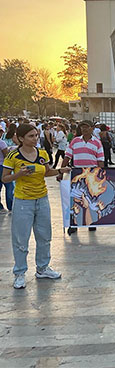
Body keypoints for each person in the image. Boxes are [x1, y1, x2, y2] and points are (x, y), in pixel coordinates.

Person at [1, 124, 71, 289]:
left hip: (42, 200)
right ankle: (19, 273)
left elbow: (46, 172)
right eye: (31, 136)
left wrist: (61, 170)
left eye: (36, 135)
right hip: (23, 202)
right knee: (21, 239)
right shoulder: (13, 155)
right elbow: (5, 178)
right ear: (21, 138)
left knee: (44, 236)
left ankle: (43, 268)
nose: (35, 139)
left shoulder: (42, 153)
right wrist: (19, 174)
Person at [58, 120, 105, 235]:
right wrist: (61, 171)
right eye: (82, 127)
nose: (84, 129)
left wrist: (102, 175)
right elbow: (67, 156)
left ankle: (92, 223)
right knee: (75, 200)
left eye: (87, 127)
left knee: (92, 200)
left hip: (92, 175)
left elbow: (101, 161)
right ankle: (74, 225)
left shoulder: (97, 143)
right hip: (77, 175)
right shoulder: (75, 141)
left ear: (92, 128)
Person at [0, 135, 14, 212]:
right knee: (9, 186)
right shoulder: (2, 143)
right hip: (2, 166)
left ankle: (0, 207)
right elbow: (6, 155)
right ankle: (10, 206)